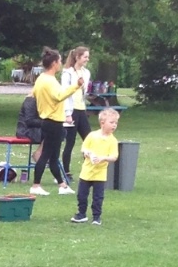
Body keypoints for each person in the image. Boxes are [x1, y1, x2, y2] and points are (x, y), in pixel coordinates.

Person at [30, 47, 81, 196]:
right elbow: (59, 96)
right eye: (59, 61)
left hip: (48, 120)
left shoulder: (41, 78)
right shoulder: (50, 81)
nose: (61, 63)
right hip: (53, 122)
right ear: (54, 63)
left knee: (53, 157)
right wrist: (76, 86)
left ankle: (62, 185)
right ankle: (36, 185)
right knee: (46, 155)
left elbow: (34, 94)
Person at [71, 105, 119, 226]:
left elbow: (114, 156)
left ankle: (96, 217)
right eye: (111, 122)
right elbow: (84, 148)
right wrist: (89, 154)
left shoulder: (113, 141)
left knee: (98, 197)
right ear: (102, 123)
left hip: (100, 174)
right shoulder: (92, 135)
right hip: (86, 172)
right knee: (82, 195)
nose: (114, 125)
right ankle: (81, 214)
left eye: (116, 123)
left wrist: (103, 158)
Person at [60, 46, 93, 180]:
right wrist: (67, 114)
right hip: (71, 110)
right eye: (85, 57)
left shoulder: (86, 72)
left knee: (89, 139)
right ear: (77, 57)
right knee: (70, 142)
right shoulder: (67, 73)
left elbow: (84, 92)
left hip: (81, 109)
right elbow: (65, 94)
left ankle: (89, 169)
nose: (87, 59)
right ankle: (66, 172)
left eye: (88, 57)